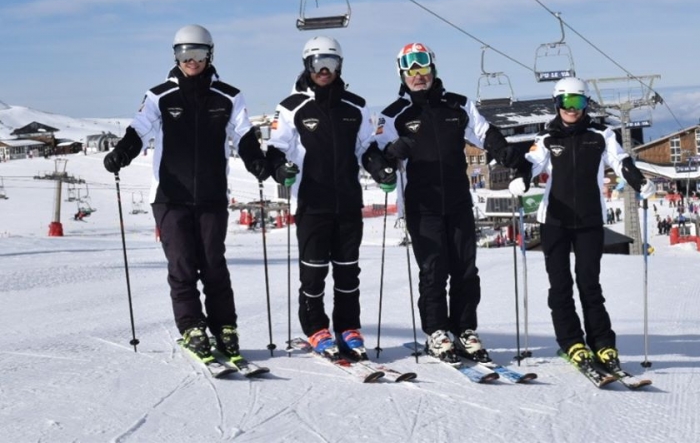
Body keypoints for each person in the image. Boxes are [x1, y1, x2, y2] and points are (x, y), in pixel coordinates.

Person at [103, 24, 270, 362]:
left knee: (213, 265)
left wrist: (258, 164)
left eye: (198, 53)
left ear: (210, 54)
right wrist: (122, 152)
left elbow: (245, 137)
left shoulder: (228, 96)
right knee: (181, 263)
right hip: (170, 195)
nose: (191, 60)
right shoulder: (159, 95)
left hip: (211, 195)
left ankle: (225, 328)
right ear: (175, 55)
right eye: (183, 53)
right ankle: (192, 326)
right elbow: (139, 129)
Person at [373, 42, 525, 363]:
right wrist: (390, 155)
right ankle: (437, 332)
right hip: (421, 204)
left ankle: (465, 329)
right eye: (410, 70)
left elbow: (485, 134)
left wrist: (508, 154)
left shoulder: (459, 106)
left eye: (423, 67)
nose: (418, 75)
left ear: (433, 68)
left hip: (457, 200)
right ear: (402, 74)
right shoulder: (394, 115)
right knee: (433, 269)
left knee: (465, 268)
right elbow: (376, 157)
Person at [509, 76, 656, 376]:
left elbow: (621, 161)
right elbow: (532, 162)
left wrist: (639, 181)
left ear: (586, 104)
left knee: (589, 284)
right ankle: (571, 341)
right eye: (566, 102)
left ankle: (602, 343)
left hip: (589, 220)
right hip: (554, 222)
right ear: (557, 103)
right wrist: (522, 178)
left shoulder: (601, 134)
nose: (571, 108)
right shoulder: (548, 137)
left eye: (577, 102)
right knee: (560, 285)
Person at [266, 36, 390, 359]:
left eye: (331, 64)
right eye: (318, 63)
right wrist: (281, 170)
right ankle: (315, 327)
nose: (324, 70)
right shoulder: (292, 107)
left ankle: (348, 327)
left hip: (348, 202)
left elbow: (367, 148)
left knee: (348, 271)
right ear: (307, 65)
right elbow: (276, 149)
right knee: (314, 271)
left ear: (340, 66)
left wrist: (380, 170)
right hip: (312, 202)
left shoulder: (356, 106)